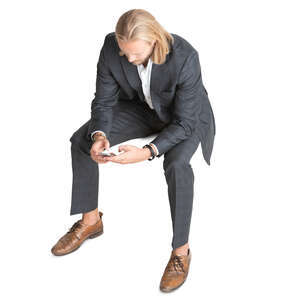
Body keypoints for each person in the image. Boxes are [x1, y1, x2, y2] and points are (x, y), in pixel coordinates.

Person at [51, 8, 216, 292]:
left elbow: (186, 123)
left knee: (176, 165)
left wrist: (148, 150)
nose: (128, 59)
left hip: (184, 118)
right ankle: (91, 221)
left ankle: (181, 251)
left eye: (135, 55)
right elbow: (103, 100)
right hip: (143, 108)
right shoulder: (111, 47)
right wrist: (100, 134)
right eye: (125, 53)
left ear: (154, 41)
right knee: (82, 140)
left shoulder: (186, 57)